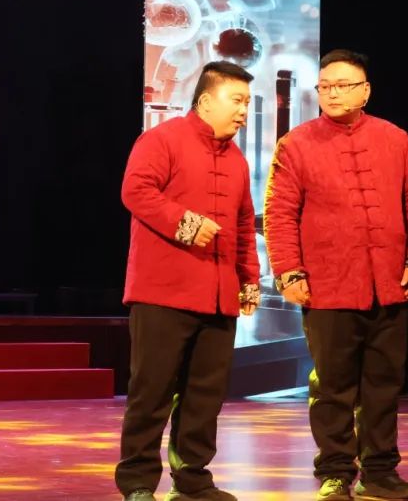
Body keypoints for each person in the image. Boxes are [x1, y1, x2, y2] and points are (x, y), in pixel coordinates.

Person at [263, 49, 408, 501]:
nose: (333, 93)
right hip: (327, 285)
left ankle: (380, 472)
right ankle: (336, 471)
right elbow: (279, 214)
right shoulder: (296, 144)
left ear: (366, 91)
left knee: (383, 385)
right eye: (325, 86)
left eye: (343, 86)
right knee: (333, 387)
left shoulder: (394, 139)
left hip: (389, 285)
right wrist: (288, 272)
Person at [116, 61, 260, 501]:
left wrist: (248, 279)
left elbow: (243, 224)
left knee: (204, 395)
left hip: (218, 296)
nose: (243, 111)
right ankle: (138, 481)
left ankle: (192, 478)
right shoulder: (162, 139)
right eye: (236, 101)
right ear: (205, 101)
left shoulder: (236, 159)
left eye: (246, 103)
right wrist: (186, 223)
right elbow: (135, 190)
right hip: (163, 292)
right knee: (152, 391)